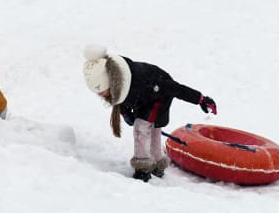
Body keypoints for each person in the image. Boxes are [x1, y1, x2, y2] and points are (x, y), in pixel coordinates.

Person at [83, 45, 217, 182]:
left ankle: (143, 169)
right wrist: (126, 114)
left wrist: (200, 99)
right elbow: (120, 100)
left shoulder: (142, 81)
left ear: (110, 83)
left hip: (159, 95)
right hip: (144, 98)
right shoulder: (117, 83)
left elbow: (176, 88)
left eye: (101, 90)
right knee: (148, 128)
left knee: (143, 127)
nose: (100, 95)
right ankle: (158, 163)